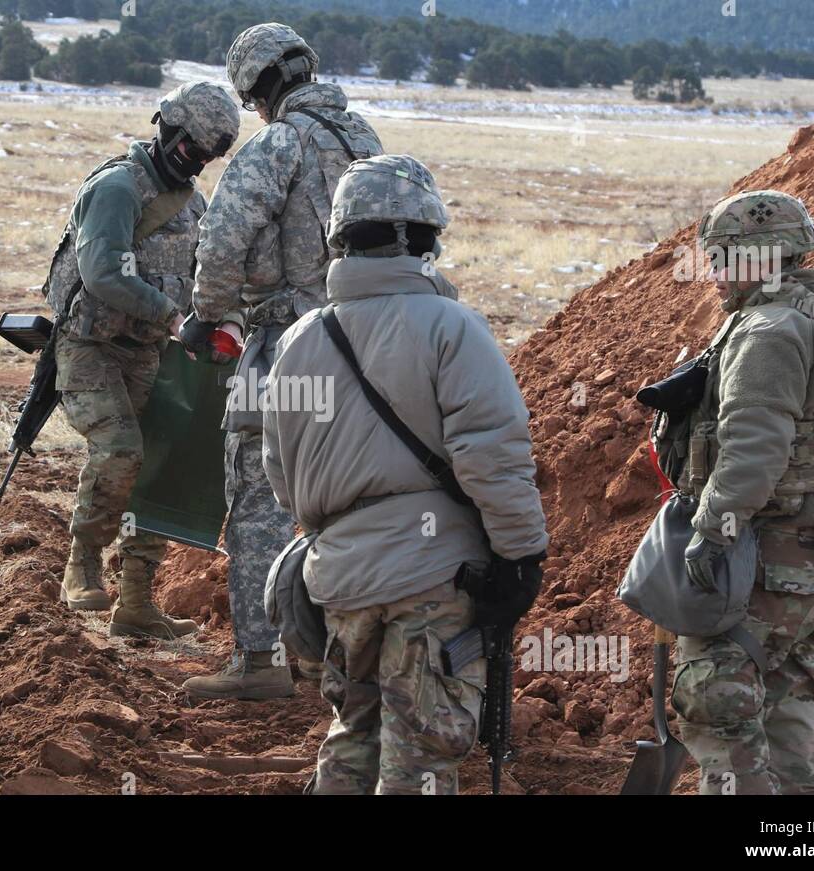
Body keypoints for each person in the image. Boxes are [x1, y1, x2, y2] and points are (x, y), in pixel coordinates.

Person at [261, 155, 548, 793]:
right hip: (433, 578)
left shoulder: (301, 341)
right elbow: (492, 456)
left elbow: (281, 472)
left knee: (353, 737)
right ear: (422, 238)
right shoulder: (452, 328)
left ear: (341, 241)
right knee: (419, 754)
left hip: (338, 580)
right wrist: (521, 555)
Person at [672, 190, 814, 794]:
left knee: (716, 692)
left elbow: (755, 446)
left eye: (722, 258)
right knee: (785, 695)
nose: (714, 273)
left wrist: (712, 529)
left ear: (755, 257)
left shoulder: (767, 330)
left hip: (769, 551)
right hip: (811, 547)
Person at [180, 22, 384, 699]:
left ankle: (260, 663)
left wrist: (209, 313)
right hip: (367, 350)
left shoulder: (278, 142)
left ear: (258, 88)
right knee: (351, 500)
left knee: (258, 493)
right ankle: (349, 661)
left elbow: (222, 238)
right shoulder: (366, 142)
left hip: (285, 345)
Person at [47, 81, 239, 639]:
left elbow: (207, 276)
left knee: (159, 465)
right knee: (120, 448)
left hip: (153, 353)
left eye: (206, 157)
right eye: (189, 151)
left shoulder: (194, 204)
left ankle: (134, 605)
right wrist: (174, 319)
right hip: (91, 349)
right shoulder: (116, 189)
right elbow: (103, 274)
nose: (196, 164)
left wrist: (224, 320)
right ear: (166, 132)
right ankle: (82, 562)